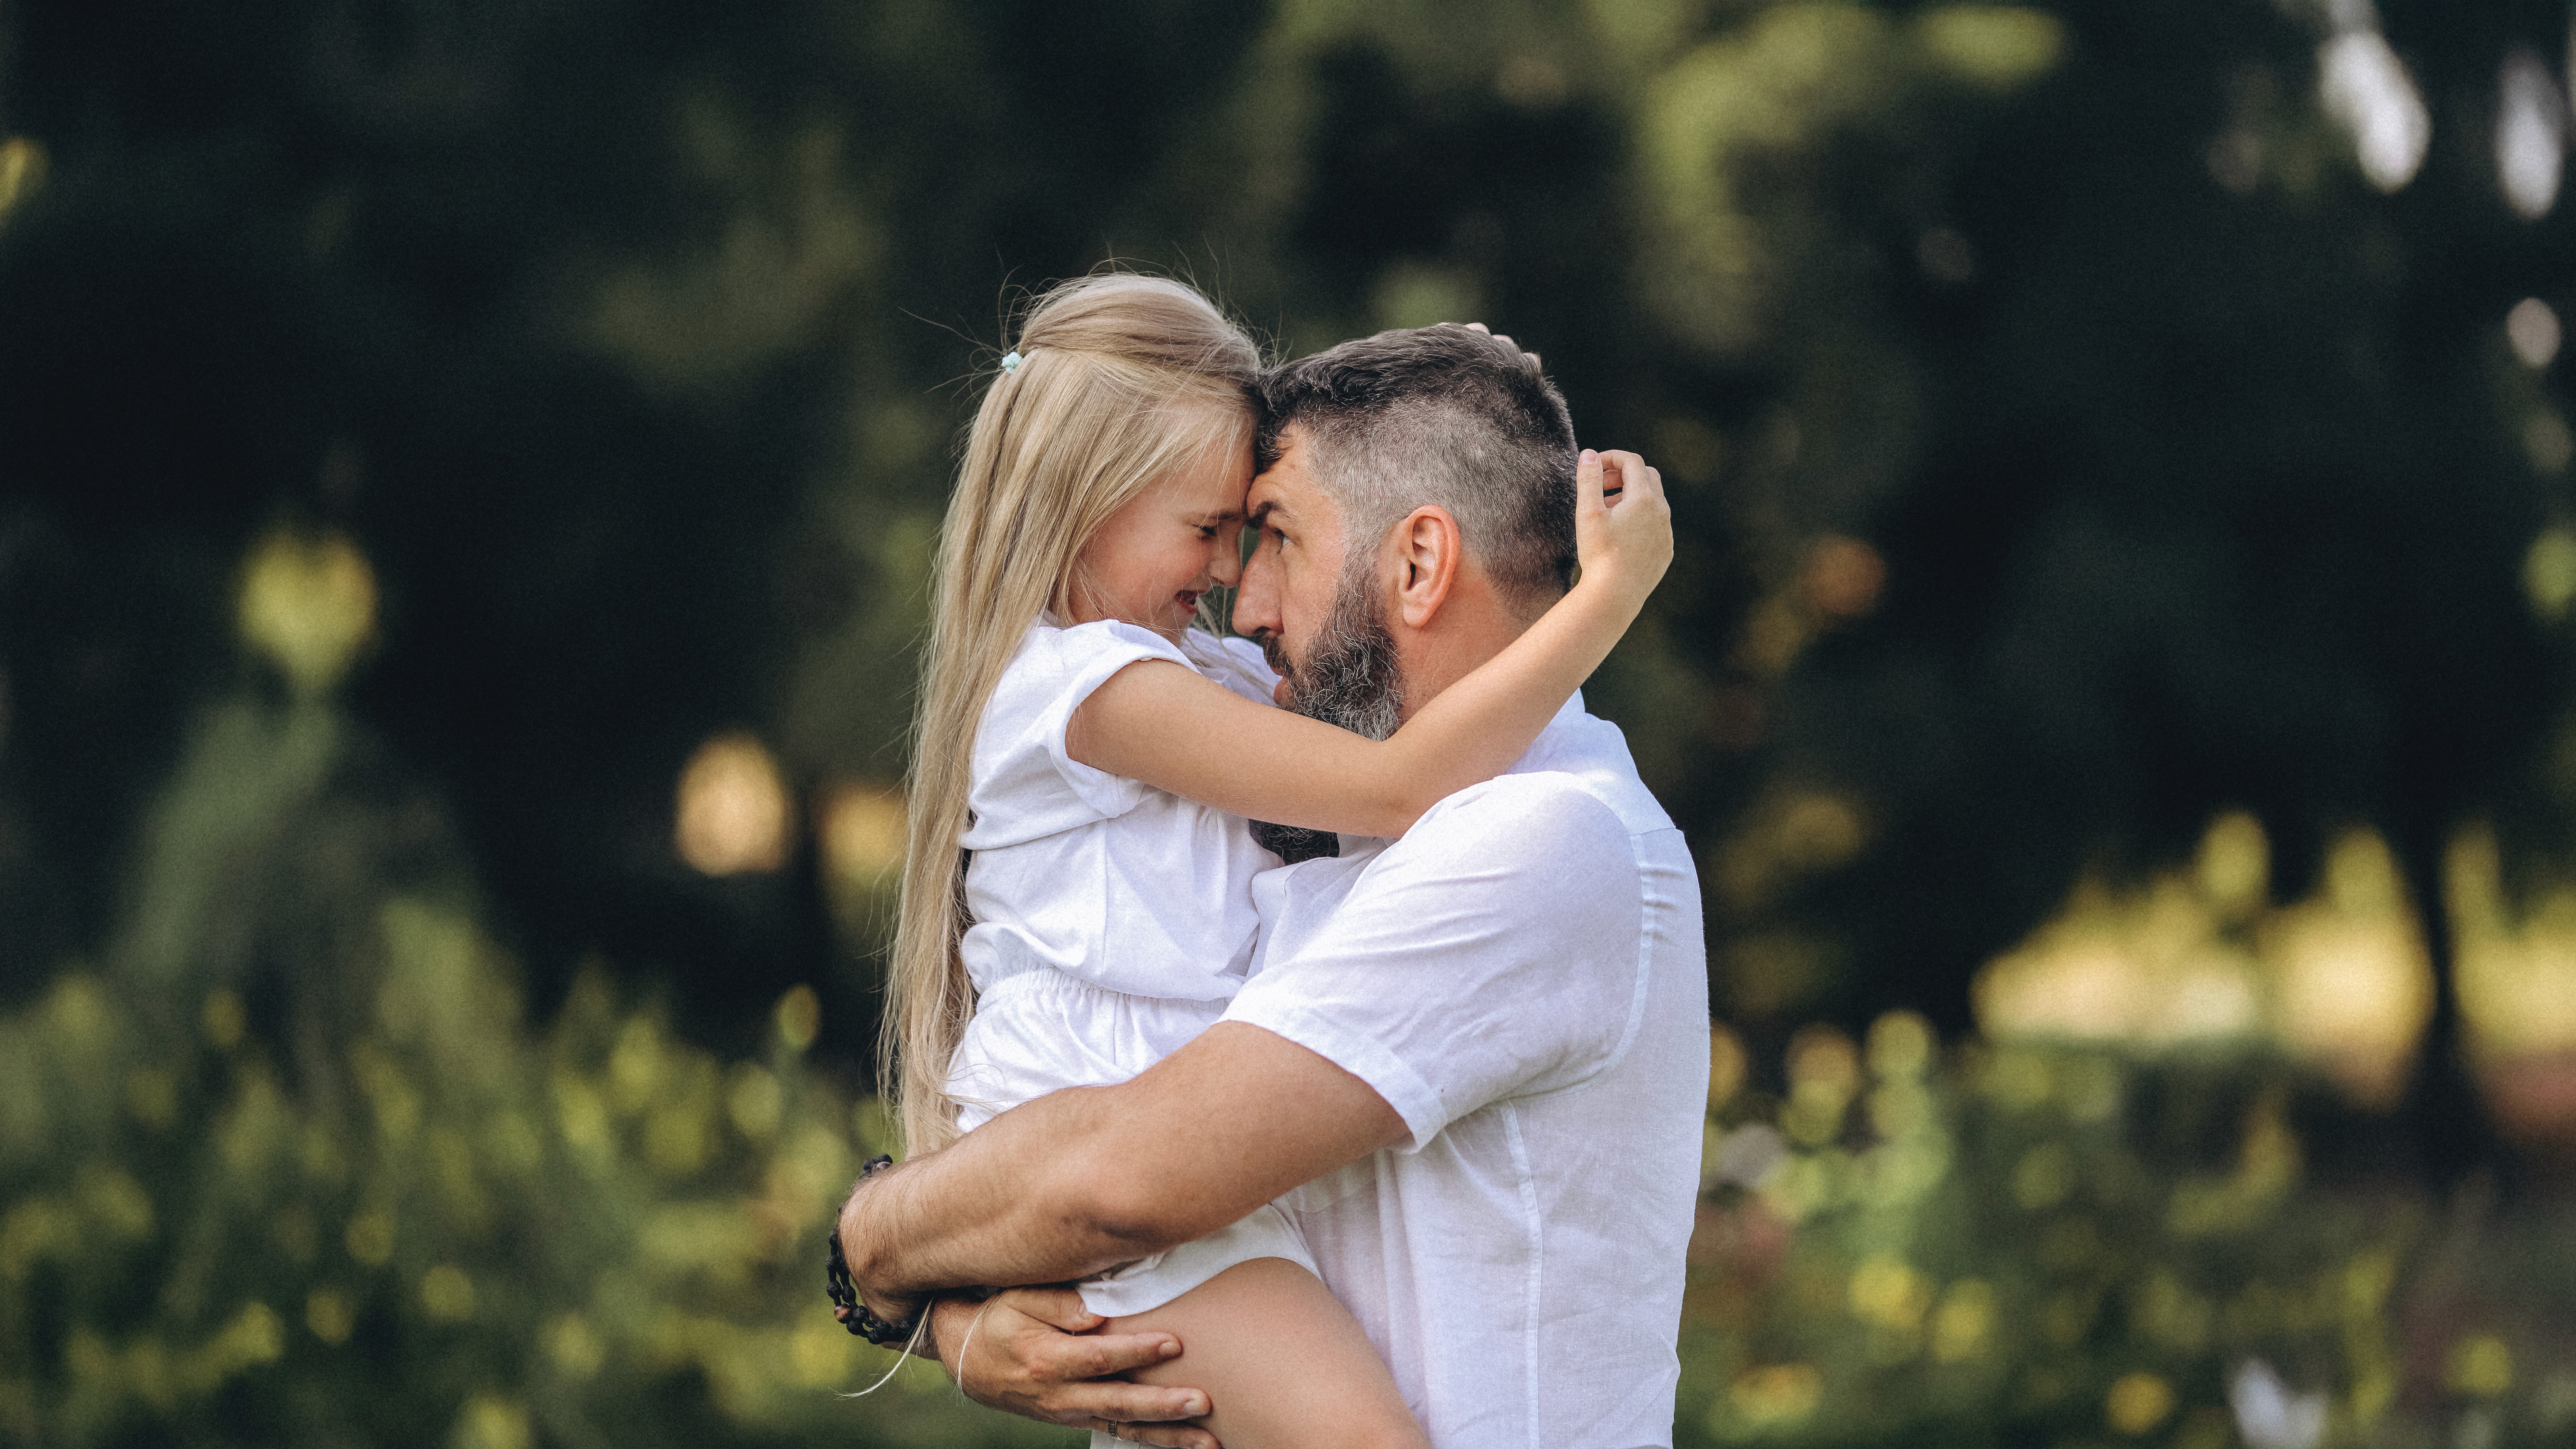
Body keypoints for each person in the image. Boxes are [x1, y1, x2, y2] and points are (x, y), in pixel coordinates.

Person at [838, 320, 1709, 1449]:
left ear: (1417, 562)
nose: (1236, 605)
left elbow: (1122, 1179)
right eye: (1215, 534)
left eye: (1272, 537)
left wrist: (882, 1252)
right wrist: (962, 1302)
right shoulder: (1327, 793)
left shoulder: (1540, 841)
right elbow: (1105, 1185)